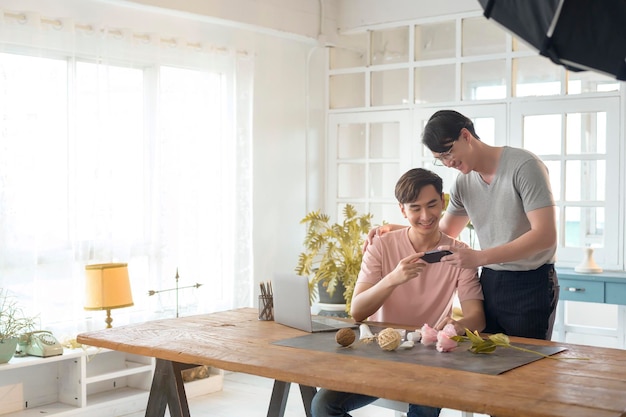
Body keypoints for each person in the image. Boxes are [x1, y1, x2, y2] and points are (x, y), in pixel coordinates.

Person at [370, 109, 559, 341]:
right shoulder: (463, 183)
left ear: (466, 136)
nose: (448, 163)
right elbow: (445, 232)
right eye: (440, 159)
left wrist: (478, 258)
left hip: (530, 282)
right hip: (490, 281)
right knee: (488, 365)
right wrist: (398, 229)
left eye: (448, 153)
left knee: (525, 364)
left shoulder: (524, 166)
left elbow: (545, 236)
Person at [311, 168, 485, 417]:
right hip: (378, 356)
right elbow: (358, 311)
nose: (425, 215)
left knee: (424, 408)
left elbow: (477, 318)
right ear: (403, 210)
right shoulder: (380, 245)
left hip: (428, 360)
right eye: (415, 208)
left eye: (432, 205)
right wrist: (393, 279)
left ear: (443, 202)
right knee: (323, 405)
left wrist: (458, 325)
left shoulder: (459, 253)